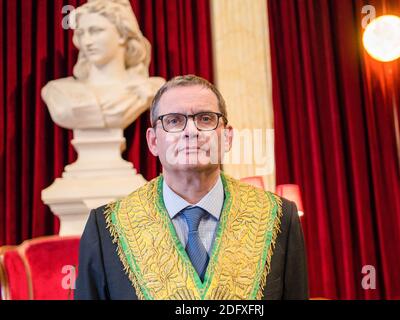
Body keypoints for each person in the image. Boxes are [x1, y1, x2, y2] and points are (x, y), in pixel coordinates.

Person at [74, 74, 309, 300]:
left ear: (227, 138)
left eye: (205, 119)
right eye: (174, 121)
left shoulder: (278, 217)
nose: (191, 131)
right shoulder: (106, 228)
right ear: (153, 141)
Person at [42, 0, 164, 130]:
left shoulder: (151, 89)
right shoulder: (59, 92)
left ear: (122, 34)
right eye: (81, 33)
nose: (86, 41)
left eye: (96, 31)